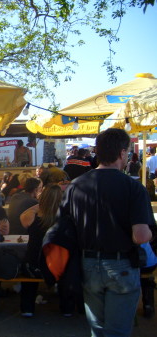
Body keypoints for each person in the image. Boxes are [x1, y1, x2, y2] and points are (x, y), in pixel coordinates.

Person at [59, 128, 154, 337]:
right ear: (122, 153)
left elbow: (64, 227)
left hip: (87, 263)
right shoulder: (133, 187)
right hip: (121, 265)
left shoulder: (75, 186)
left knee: (98, 329)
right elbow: (141, 236)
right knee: (117, 332)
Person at [17, 184, 62, 317]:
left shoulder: (32, 218)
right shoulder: (64, 220)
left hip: (34, 267)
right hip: (57, 268)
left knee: (28, 263)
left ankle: (27, 308)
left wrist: (40, 205)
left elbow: (23, 216)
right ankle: (67, 308)